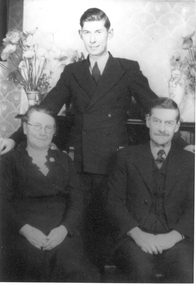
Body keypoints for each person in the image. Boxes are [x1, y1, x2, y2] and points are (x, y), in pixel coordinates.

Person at [0, 8, 190, 268]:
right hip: (80, 162)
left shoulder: (127, 68)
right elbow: (47, 108)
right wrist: (15, 138)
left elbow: (155, 109)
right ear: (80, 34)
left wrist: (182, 143)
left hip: (116, 163)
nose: (93, 39)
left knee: (109, 226)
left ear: (109, 33)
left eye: (98, 31)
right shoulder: (72, 71)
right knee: (82, 226)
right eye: (87, 33)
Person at [0, 105, 100, 282]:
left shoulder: (64, 160)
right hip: (22, 230)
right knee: (30, 265)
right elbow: (2, 202)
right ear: (25, 128)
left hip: (60, 230)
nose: (43, 132)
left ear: (54, 132)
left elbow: (77, 200)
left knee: (73, 268)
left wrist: (64, 229)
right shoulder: (9, 161)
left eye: (48, 128)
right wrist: (25, 230)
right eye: (37, 126)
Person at [106, 97, 194, 283]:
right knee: (141, 272)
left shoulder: (190, 162)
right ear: (148, 121)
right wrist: (138, 235)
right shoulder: (126, 157)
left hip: (175, 239)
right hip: (134, 239)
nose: (162, 128)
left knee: (187, 273)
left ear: (177, 126)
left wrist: (173, 237)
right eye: (157, 121)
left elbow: (194, 206)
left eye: (169, 123)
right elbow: (113, 202)